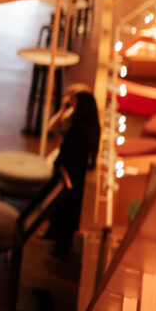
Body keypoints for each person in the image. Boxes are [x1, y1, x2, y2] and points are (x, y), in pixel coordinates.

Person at [43, 86, 101, 257]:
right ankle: (56, 238)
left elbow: (67, 149)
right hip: (74, 173)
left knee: (63, 208)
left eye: (73, 99)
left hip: (68, 171)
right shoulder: (86, 124)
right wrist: (64, 109)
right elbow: (54, 127)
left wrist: (57, 165)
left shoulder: (79, 128)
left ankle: (60, 246)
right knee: (64, 208)